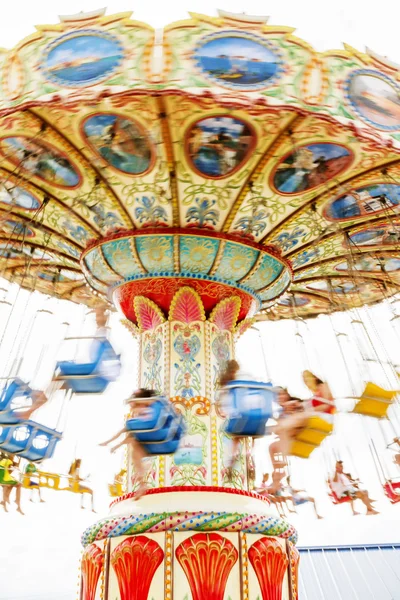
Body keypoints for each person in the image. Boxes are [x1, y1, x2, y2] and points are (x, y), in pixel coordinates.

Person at [100, 388, 158, 499]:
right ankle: (142, 485)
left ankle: (109, 442)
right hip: (143, 436)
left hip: (149, 431)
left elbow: (149, 406)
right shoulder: (140, 410)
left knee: (128, 431)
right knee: (134, 454)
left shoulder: (147, 406)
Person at [270, 371, 335, 465]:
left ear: (314, 377)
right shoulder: (313, 397)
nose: (306, 382)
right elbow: (302, 406)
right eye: (305, 380)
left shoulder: (322, 386)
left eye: (308, 378)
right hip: (310, 417)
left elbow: (327, 405)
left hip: (324, 417)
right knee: (275, 443)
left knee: (287, 423)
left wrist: (306, 410)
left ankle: (279, 428)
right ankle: (280, 466)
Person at [217, 360, 243, 483]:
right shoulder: (231, 381)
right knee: (236, 438)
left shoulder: (228, 381)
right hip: (236, 412)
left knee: (236, 439)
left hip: (235, 412)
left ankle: (232, 462)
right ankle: (231, 461)